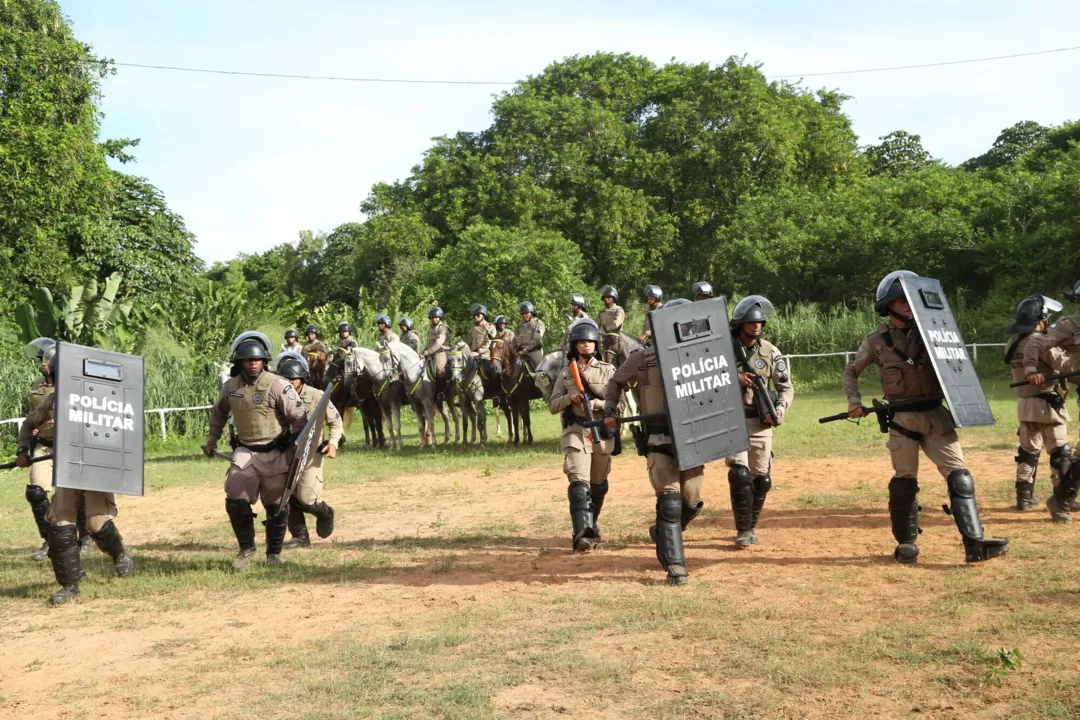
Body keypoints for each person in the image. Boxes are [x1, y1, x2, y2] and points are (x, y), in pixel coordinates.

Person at [843, 271, 1008, 564]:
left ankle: (975, 543)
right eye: (900, 300)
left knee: (961, 477)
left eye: (911, 299)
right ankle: (906, 545)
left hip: (936, 416)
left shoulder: (936, 333)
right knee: (905, 481)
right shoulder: (876, 342)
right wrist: (854, 401)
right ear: (887, 305)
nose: (908, 305)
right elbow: (851, 371)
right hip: (903, 419)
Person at [17, 344, 134, 604]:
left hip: (93, 466)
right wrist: (23, 450)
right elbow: (28, 425)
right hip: (66, 467)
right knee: (59, 523)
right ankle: (69, 586)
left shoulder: (101, 401)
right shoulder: (51, 402)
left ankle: (120, 554)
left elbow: (119, 431)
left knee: (96, 524)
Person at [604, 298, 705, 586]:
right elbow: (615, 382)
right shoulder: (641, 358)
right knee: (670, 502)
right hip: (659, 436)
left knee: (691, 501)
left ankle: (661, 533)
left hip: (693, 438)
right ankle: (675, 567)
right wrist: (611, 409)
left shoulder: (700, 356)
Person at [204, 331, 308, 571]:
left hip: (275, 454)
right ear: (240, 362)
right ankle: (246, 548)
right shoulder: (230, 387)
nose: (253, 363)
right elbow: (218, 414)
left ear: (265, 361)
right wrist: (212, 440)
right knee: (235, 495)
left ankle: (273, 553)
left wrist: (296, 448)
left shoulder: (277, 384)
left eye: (258, 360)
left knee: (276, 505)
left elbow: (299, 418)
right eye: (248, 360)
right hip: (245, 452)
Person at [725, 296, 794, 548]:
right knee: (739, 473)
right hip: (733, 421)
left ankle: (752, 524)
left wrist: (780, 409)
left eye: (760, 323)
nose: (756, 326)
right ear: (741, 324)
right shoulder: (725, 350)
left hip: (761, 422)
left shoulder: (771, 351)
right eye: (751, 322)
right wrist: (736, 377)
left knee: (761, 479)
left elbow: (786, 387)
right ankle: (743, 530)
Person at [548, 319, 620, 552]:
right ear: (575, 345)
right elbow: (552, 405)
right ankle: (583, 535)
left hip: (601, 431)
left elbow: (620, 406)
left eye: (590, 341)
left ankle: (592, 523)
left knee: (598, 486)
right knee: (579, 486)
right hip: (575, 432)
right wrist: (571, 399)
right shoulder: (566, 374)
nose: (586, 345)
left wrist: (600, 403)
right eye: (581, 341)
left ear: (596, 344)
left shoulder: (609, 371)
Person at [271, 352, 343, 549]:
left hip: (311, 453)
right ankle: (300, 537)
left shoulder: (316, 396)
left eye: (293, 379)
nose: (289, 383)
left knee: (306, 499)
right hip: (284, 451)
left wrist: (333, 443)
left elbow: (335, 421)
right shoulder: (276, 395)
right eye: (284, 380)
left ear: (301, 378)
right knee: (285, 496)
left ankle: (325, 512)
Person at [1022, 280, 1080, 521]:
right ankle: (1061, 499)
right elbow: (1036, 341)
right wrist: (1030, 369)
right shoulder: (1069, 325)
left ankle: (1061, 498)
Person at [512, 301, 545, 369]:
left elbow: (536, 339)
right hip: (520, 354)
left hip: (534, 353)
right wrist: (513, 349)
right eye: (522, 314)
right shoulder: (519, 325)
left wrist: (524, 350)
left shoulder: (538, 323)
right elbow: (515, 339)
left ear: (531, 313)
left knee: (540, 373)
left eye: (526, 313)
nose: (524, 315)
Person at [597, 286, 625, 364]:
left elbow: (615, 324)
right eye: (605, 297)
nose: (606, 299)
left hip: (615, 338)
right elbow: (597, 325)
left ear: (614, 298)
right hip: (603, 339)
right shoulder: (601, 312)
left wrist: (605, 332)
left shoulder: (618, 310)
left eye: (609, 297)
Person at [467, 304, 496, 369]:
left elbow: (490, 343)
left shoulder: (490, 327)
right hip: (472, 356)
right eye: (474, 316)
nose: (475, 317)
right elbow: (469, 343)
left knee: (493, 375)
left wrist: (479, 352)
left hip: (485, 357)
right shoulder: (472, 328)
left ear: (484, 315)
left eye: (478, 315)